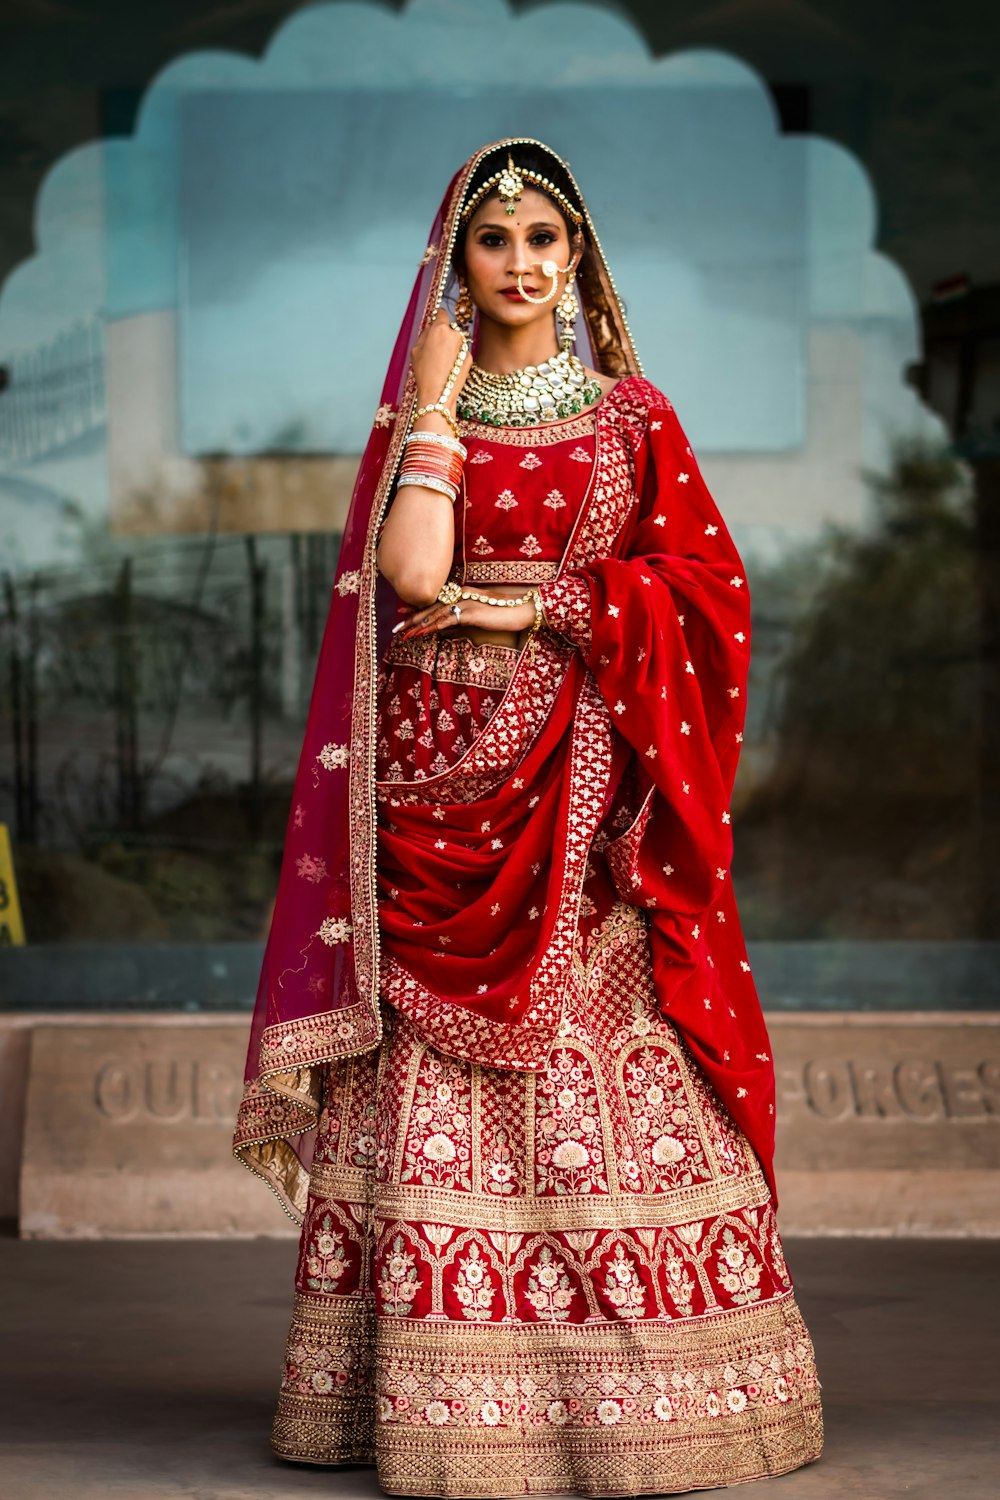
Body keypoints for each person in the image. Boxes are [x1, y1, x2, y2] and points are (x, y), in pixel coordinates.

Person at [233, 137, 824, 1496]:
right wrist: (434, 412)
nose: (518, 265)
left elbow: (707, 592)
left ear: (578, 258)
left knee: (587, 1041)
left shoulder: (633, 418)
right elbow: (413, 571)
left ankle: (639, 1396)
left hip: (576, 778)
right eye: (492, 243)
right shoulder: (424, 414)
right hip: (431, 774)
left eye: (543, 241)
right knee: (427, 1068)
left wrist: (546, 604)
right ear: (458, 265)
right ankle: (446, 1399)